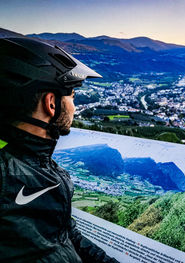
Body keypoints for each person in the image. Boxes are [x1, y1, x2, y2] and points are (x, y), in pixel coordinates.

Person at [0, 37, 119, 263]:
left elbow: (64, 234)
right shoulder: (8, 175)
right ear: (51, 103)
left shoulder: (37, 163)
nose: (75, 107)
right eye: (72, 96)